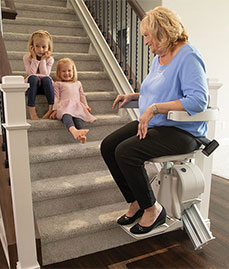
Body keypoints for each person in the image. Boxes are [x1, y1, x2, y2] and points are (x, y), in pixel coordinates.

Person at [100, 6, 208, 235]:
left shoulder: (188, 55)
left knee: (126, 151)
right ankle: (137, 201)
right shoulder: (159, 59)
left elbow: (198, 100)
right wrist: (136, 97)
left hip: (183, 132)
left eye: (148, 36)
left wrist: (155, 108)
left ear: (161, 31)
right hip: (159, 125)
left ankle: (152, 209)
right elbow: (162, 92)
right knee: (108, 146)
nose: (146, 41)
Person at [49, 58, 96, 144]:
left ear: (73, 71)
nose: (67, 73)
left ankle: (82, 135)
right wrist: (55, 109)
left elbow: (82, 95)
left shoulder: (78, 83)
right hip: (64, 107)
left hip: (76, 106)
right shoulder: (58, 84)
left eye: (69, 70)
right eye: (63, 71)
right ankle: (73, 130)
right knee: (67, 116)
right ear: (59, 73)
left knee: (78, 118)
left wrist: (85, 105)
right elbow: (56, 97)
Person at [23, 30, 54, 120]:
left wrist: (43, 60)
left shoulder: (49, 59)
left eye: (44, 47)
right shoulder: (27, 58)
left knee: (47, 79)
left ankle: (50, 109)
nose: (40, 50)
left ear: (48, 48)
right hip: (32, 87)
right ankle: (32, 110)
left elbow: (45, 74)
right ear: (32, 46)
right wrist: (34, 58)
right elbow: (31, 73)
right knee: (33, 78)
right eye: (37, 46)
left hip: (44, 87)